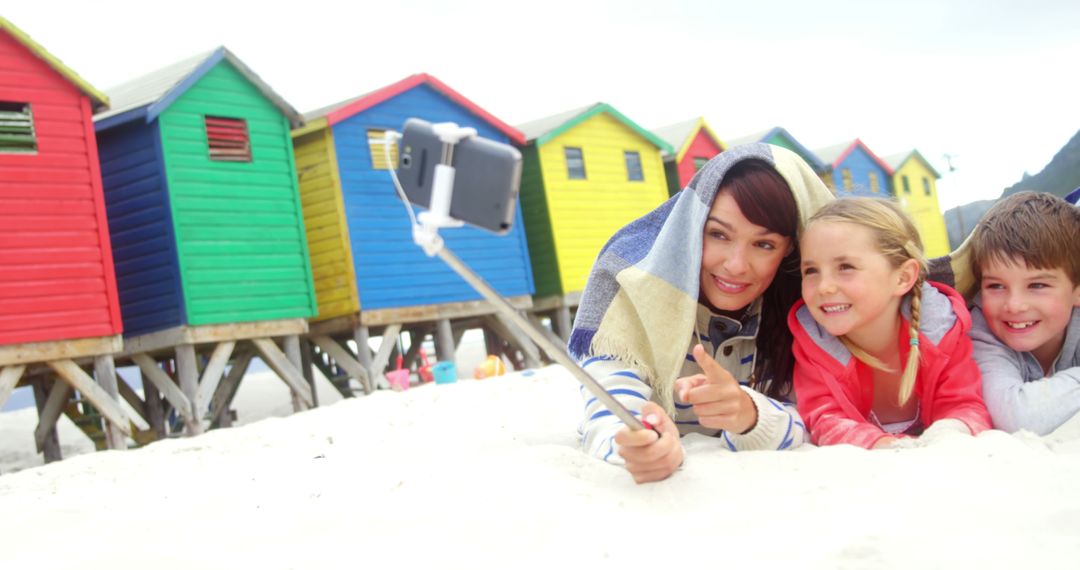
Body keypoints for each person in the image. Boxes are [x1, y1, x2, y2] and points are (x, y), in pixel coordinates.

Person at [570, 143, 834, 483]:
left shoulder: (806, 313)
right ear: (690, 228)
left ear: (791, 249)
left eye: (764, 244)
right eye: (718, 234)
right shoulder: (634, 295)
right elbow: (608, 414)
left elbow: (821, 420)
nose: (735, 265)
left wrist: (748, 414)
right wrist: (642, 444)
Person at [789, 198, 991, 449]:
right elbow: (824, 418)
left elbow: (965, 406)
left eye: (845, 267)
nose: (824, 286)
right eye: (811, 271)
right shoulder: (813, 342)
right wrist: (882, 445)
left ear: (903, 277)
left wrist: (948, 436)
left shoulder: (942, 330)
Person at [966, 191, 1080, 435]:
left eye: (1037, 285)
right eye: (996, 286)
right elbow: (1015, 416)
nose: (1014, 305)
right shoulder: (981, 330)